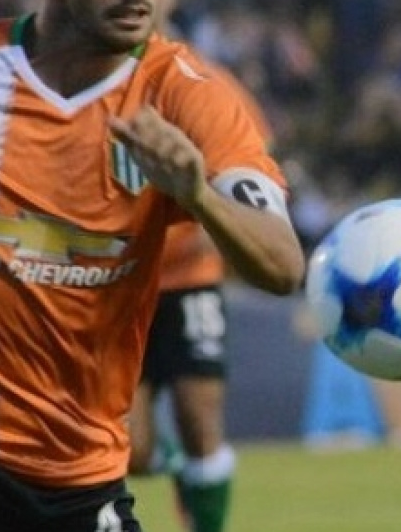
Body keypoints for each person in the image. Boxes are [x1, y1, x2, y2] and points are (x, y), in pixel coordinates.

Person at [0, 0, 306, 532]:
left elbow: (282, 265)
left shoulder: (190, 96)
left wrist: (197, 195)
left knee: (177, 428)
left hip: (77, 480)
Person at [127, 62, 274, 532]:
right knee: (130, 449)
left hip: (192, 278)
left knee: (200, 418)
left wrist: (225, 217)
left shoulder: (204, 82)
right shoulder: (95, 78)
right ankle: (169, 461)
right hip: (122, 283)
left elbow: (255, 156)